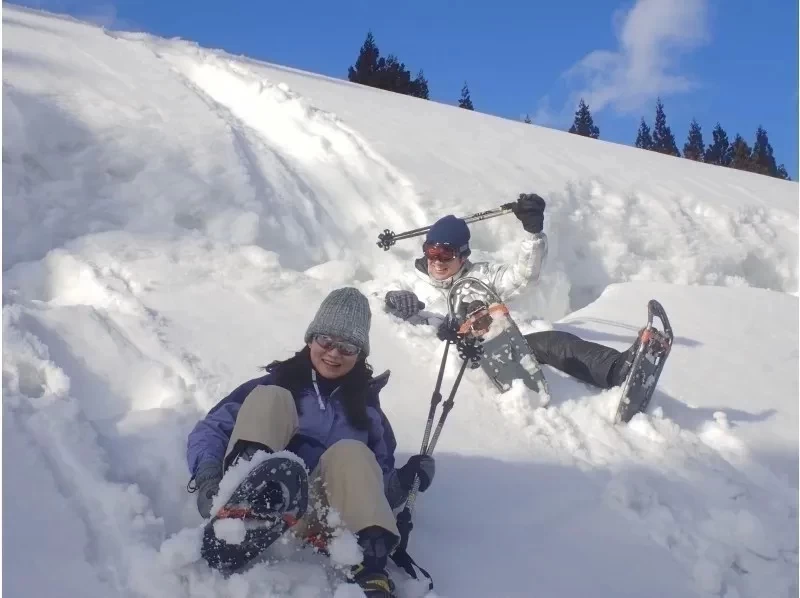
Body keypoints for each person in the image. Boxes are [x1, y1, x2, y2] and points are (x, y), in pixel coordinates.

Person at [186, 287, 434, 598]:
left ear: (360, 354)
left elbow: (374, 487)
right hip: (268, 499)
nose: (334, 353)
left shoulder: (369, 414)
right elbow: (211, 430)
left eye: (347, 347)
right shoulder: (275, 383)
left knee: (352, 452)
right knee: (271, 399)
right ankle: (242, 504)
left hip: (322, 517)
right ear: (310, 339)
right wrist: (208, 478)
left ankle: (369, 568)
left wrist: (405, 482)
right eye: (326, 340)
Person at [383, 193, 640, 390]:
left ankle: (619, 370)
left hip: (496, 352)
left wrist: (533, 234)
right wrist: (392, 300)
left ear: (463, 255)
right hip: (444, 371)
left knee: (554, 342)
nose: (437, 261)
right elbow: (376, 307)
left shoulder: (481, 278)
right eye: (431, 252)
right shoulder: (410, 281)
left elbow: (523, 277)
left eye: (446, 254)